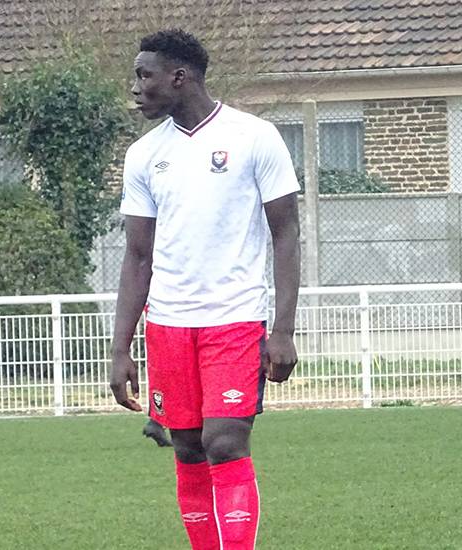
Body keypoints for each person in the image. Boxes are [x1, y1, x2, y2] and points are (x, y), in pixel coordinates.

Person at [110, 28, 300, 550]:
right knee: (189, 448)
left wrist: (282, 330)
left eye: (144, 75)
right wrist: (120, 347)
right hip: (168, 325)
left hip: (235, 320)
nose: (136, 87)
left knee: (224, 441)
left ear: (180, 76)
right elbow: (138, 255)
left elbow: (286, 233)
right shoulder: (144, 155)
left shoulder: (254, 137)